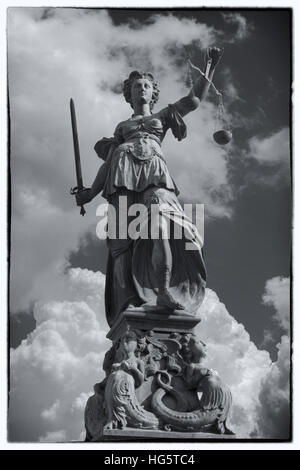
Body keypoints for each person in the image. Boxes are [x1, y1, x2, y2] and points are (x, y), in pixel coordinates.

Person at [76, 47, 223, 327]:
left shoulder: (165, 116)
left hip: (155, 174)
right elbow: (108, 164)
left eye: (146, 86)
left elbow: (193, 100)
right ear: (129, 94)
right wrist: (90, 193)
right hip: (121, 175)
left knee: (160, 225)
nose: (141, 89)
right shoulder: (121, 127)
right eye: (135, 86)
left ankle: (164, 289)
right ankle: (127, 299)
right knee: (122, 241)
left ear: (153, 93)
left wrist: (209, 67)